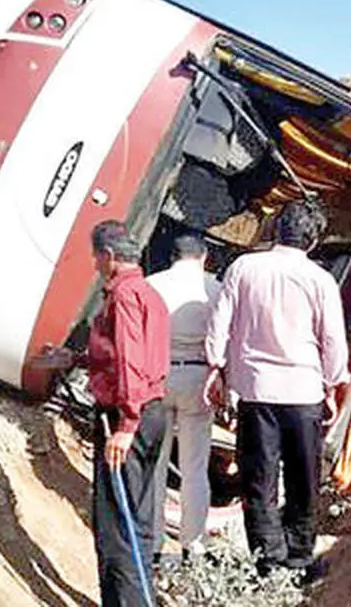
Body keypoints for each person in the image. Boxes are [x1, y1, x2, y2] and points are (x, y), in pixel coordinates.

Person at [204, 200, 349, 582]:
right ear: (313, 239)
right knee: (303, 476)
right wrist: (335, 384)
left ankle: (267, 558)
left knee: (259, 477)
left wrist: (216, 367)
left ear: (275, 230)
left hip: (255, 391)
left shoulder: (243, 268)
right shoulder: (320, 280)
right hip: (303, 390)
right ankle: (300, 556)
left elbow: (220, 323)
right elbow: (332, 338)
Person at [30, 220, 170, 606]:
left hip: (128, 417)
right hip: (153, 411)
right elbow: (120, 355)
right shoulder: (148, 293)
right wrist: (73, 358)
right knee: (136, 519)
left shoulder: (123, 296)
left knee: (115, 523)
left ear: (108, 256)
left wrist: (126, 424)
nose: (94, 264)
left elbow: (130, 361)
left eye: (96, 256)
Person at [146, 234, 221, 562]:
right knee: (195, 468)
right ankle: (194, 545)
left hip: (158, 375)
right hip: (199, 377)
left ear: (172, 257)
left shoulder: (152, 285)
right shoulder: (214, 289)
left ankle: (153, 543)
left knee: (155, 465)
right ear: (203, 257)